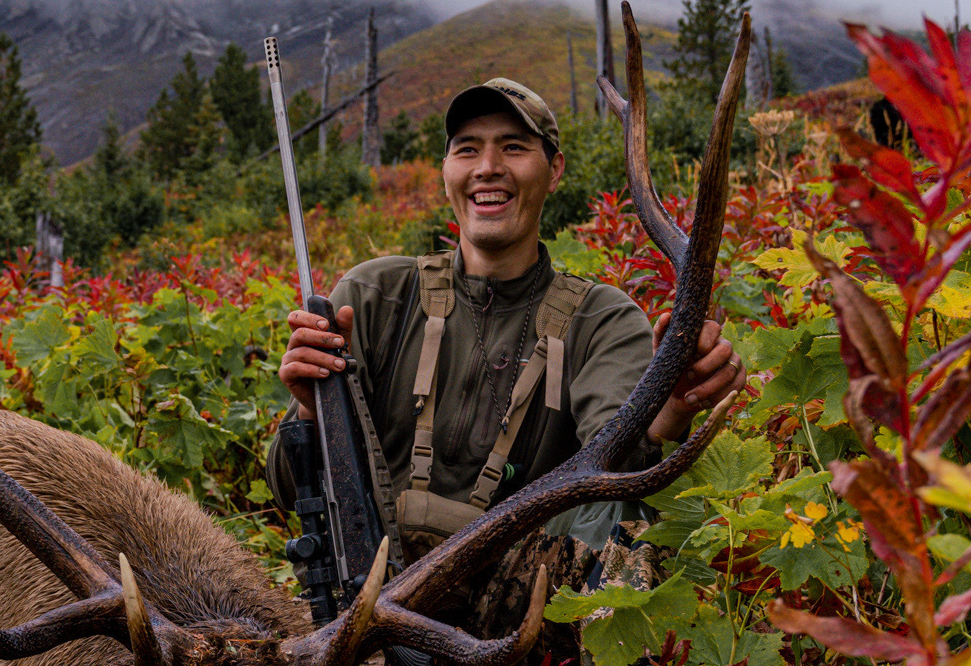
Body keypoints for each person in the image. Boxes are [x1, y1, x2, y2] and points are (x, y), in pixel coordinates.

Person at [270, 77, 742, 565]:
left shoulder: (603, 321)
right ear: (446, 171)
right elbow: (287, 488)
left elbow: (616, 476)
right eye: (468, 150)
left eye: (513, 147)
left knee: (628, 537)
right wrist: (312, 412)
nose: (488, 168)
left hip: (529, 599)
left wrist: (667, 411)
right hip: (375, 590)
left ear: (554, 168)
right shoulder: (373, 297)